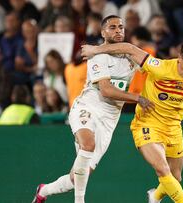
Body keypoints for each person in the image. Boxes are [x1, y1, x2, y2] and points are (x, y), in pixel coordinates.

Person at [32, 15, 154, 203]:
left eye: (121, 27)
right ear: (103, 32)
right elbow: (106, 90)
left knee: (76, 178)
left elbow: (154, 67)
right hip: (87, 107)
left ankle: (44, 190)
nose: (118, 30)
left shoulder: (131, 57)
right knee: (88, 145)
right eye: (112, 27)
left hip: (109, 119)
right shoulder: (98, 56)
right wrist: (137, 98)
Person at [82, 39, 183, 203]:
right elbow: (129, 48)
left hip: (173, 128)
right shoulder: (160, 67)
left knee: (175, 178)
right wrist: (96, 50)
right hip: (147, 124)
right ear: (180, 58)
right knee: (162, 169)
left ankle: (154, 197)